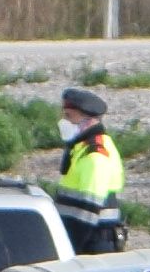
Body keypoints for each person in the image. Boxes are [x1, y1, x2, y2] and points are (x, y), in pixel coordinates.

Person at [50, 85, 129, 252]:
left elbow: (86, 213)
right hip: (90, 240)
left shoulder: (95, 155)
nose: (64, 122)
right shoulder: (81, 147)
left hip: (93, 243)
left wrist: (67, 252)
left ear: (88, 120)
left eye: (68, 116)